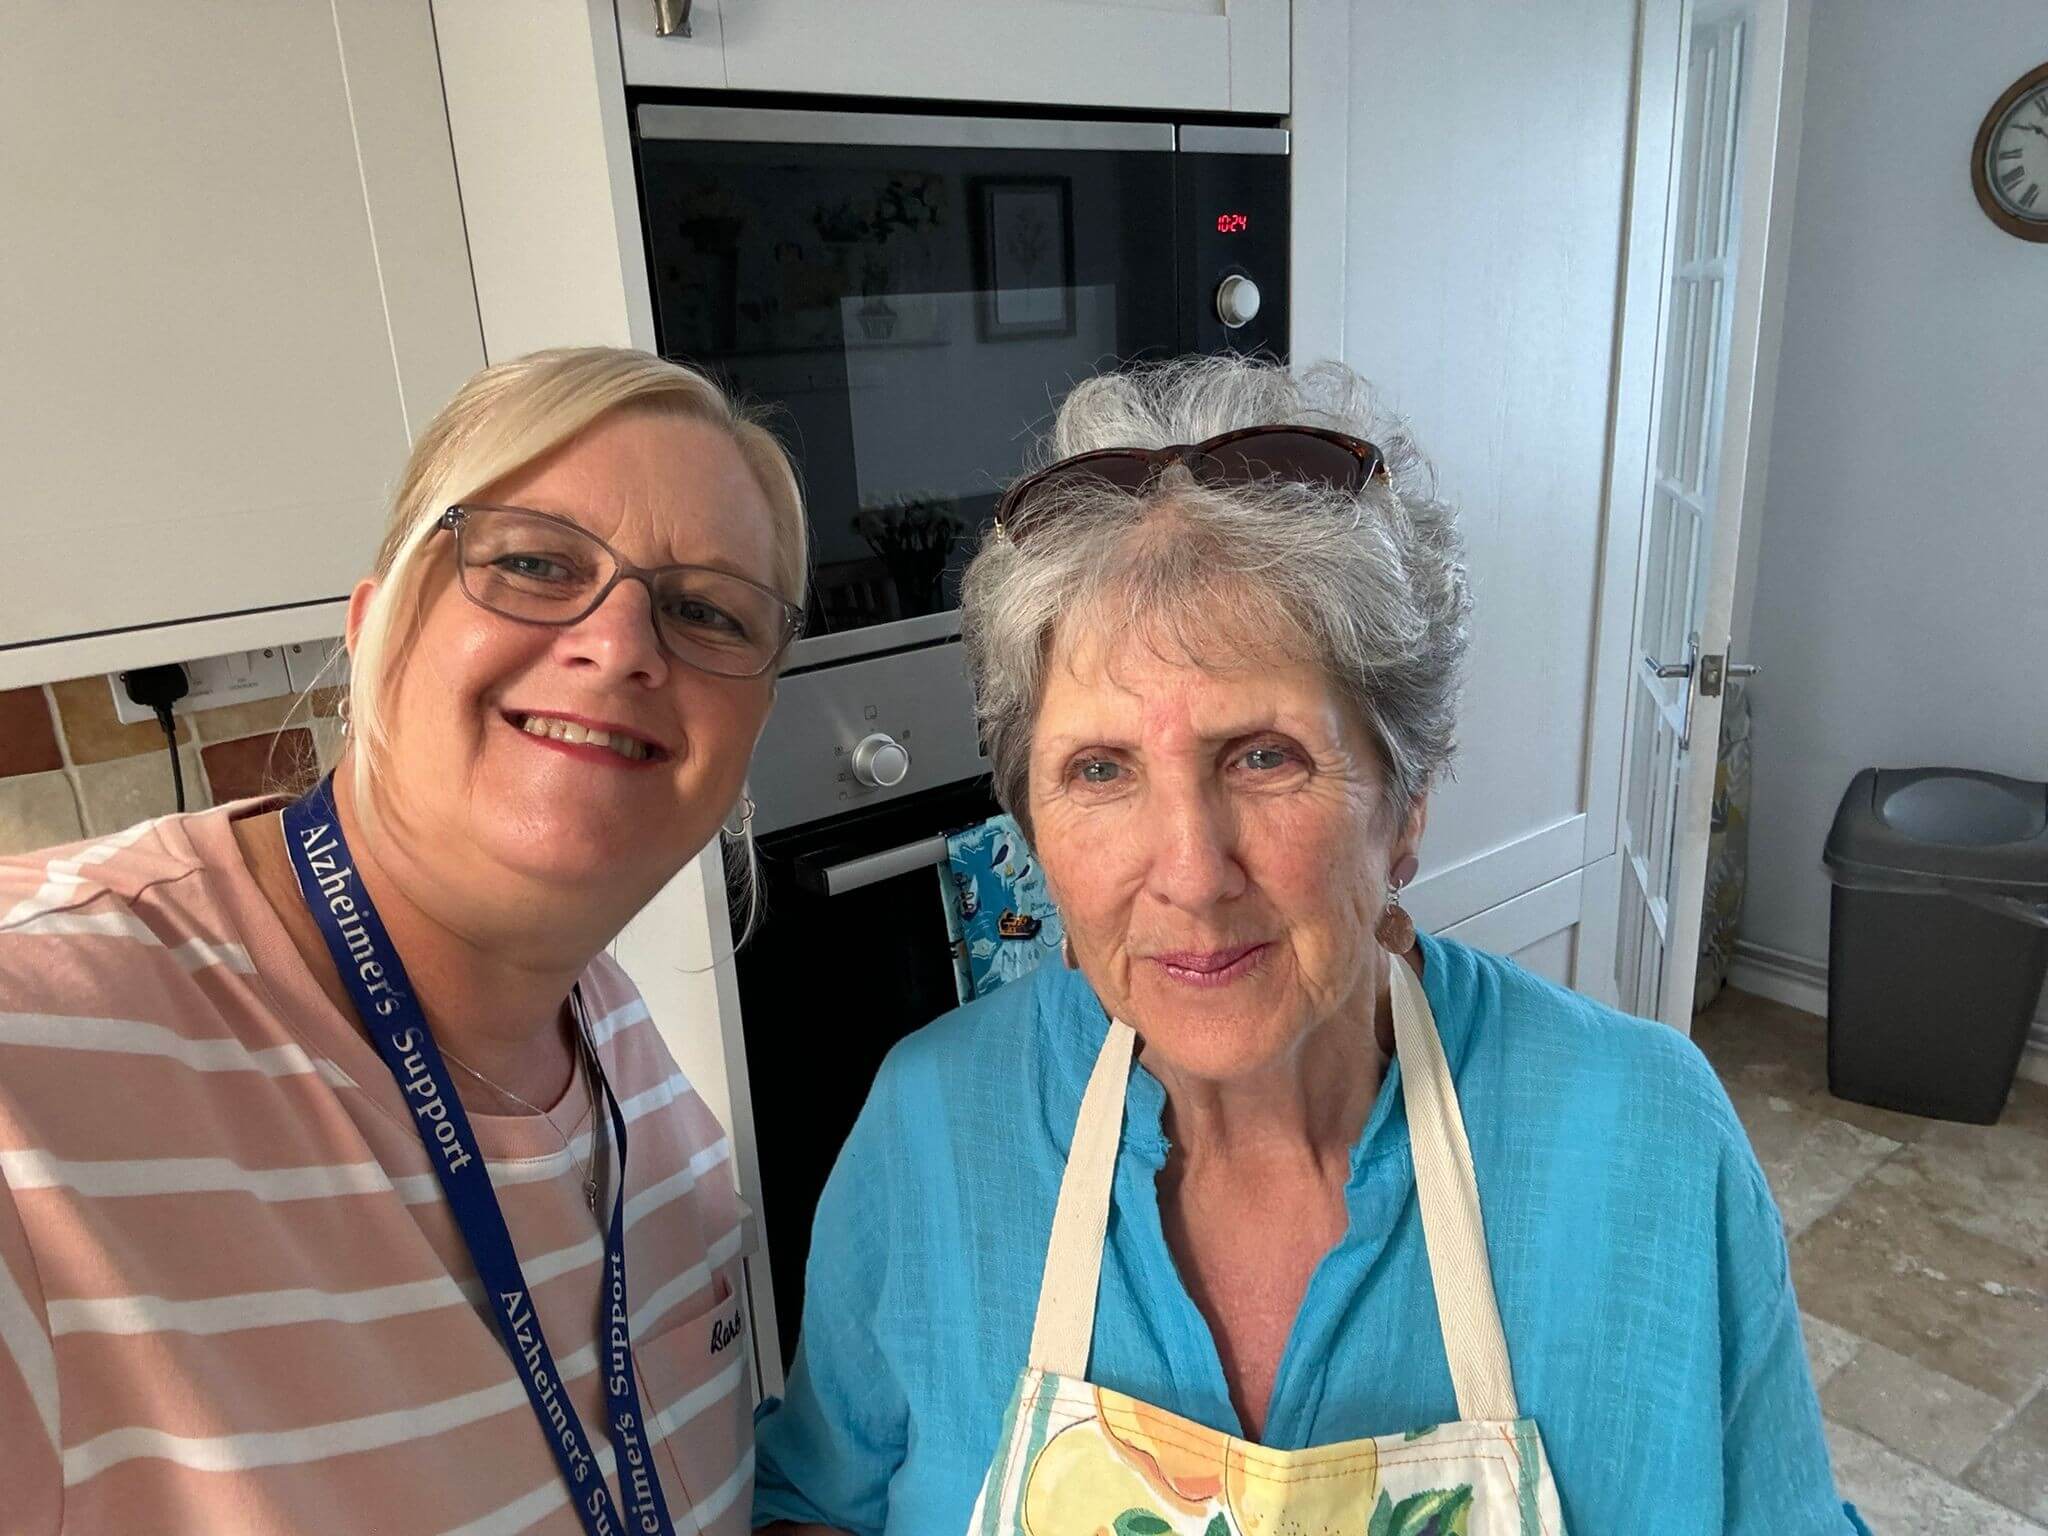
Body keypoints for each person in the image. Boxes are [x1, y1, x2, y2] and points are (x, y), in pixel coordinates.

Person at [752, 356, 1868, 1533]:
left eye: (1262, 756)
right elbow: (815, 1501)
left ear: (1405, 800)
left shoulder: (1641, 1143)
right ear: (1031, 829)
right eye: (1099, 770)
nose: (1187, 872)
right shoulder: (931, 1129)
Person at [0, 347, 805, 1534]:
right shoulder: (37, 1058)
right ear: (375, 626)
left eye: (704, 610)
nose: (622, 643)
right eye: (535, 563)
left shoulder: (630, 1065)